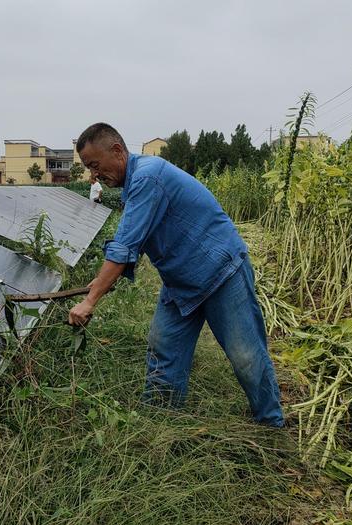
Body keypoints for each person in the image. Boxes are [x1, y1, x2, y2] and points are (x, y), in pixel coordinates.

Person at [68, 123, 284, 427]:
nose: (94, 175)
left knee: (246, 355)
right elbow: (137, 240)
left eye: (94, 165)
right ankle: (160, 420)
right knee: (164, 347)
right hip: (181, 281)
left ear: (116, 150)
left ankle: (271, 422)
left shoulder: (147, 176)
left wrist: (90, 300)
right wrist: (101, 281)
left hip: (220, 271)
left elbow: (125, 243)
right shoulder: (135, 185)